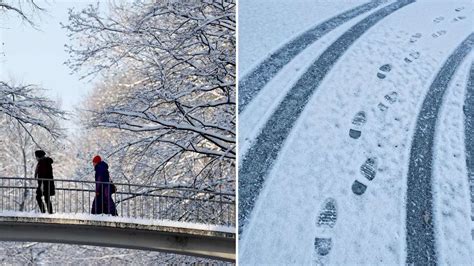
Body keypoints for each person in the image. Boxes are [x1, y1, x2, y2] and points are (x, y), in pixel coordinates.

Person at [34, 150, 55, 214]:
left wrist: (41, 185)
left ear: (39, 156)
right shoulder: (44, 162)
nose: (36, 158)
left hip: (44, 183)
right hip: (46, 183)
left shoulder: (43, 162)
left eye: (36, 156)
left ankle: (45, 212)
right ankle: (49, 212)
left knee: (41, 197)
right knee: (46, 198)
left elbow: (43, 174)